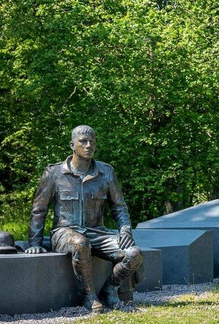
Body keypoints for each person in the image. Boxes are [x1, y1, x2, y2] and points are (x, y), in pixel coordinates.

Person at [25, 125, 142, 313]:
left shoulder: (106, 173)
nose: (89, 146)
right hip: (64, 233)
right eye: (83, 142)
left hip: (97, 233)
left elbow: (119, 208)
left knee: (134, 253)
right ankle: (89, 295)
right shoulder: (54, 173)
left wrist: (125, 229)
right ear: (72, 145)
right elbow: (39, 210)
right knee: (80, 243)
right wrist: (34, 242)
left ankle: (109, 291)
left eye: (92, 142)